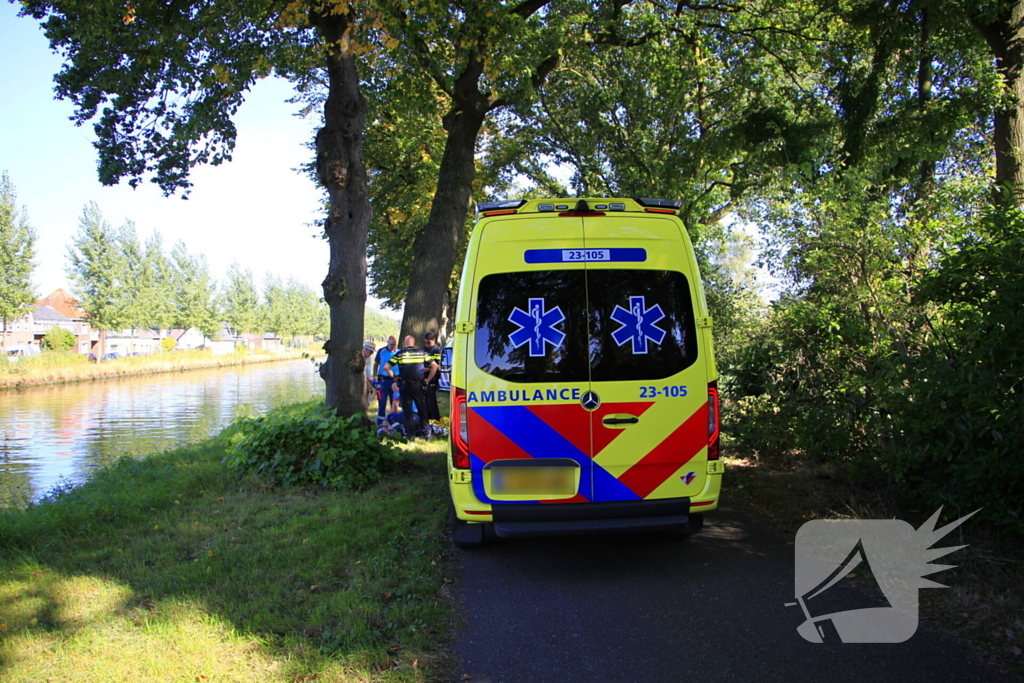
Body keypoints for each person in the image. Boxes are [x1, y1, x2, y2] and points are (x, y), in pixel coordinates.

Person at [384, 335, 438, 438]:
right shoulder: (422, 353)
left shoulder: (400, 354)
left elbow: (386, 367)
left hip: (405, 385)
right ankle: (427, 433)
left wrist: (395, 377)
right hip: (418, 385)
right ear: (414, 343)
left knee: (407, 410)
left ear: (405, 344)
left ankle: (410, 434)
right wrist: (427, 379)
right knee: (422, 408)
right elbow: (435, 366)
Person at [373, 336, 399, 426]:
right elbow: (376, 364)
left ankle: (393, 420)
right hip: (383, 380)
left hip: (394, 380)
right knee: (382, 401)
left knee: (394, 401)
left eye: (394, 345)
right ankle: (380, 421)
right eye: (391, 345)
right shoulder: (381, 351)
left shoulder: (398, 352)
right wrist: (374, 377)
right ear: (388, 342)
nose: (393, 347)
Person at [422, 331, 443, 424]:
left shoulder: (437, 350)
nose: (427, 345)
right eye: (425, 342)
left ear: (434, 340)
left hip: (433, 376)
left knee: (431, 399)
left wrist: (428, 369)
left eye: (428, 342)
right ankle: (428, 417)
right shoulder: (425, 349)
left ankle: (437, 418)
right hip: (424, 375)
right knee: (425, 398)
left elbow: (437, 365)